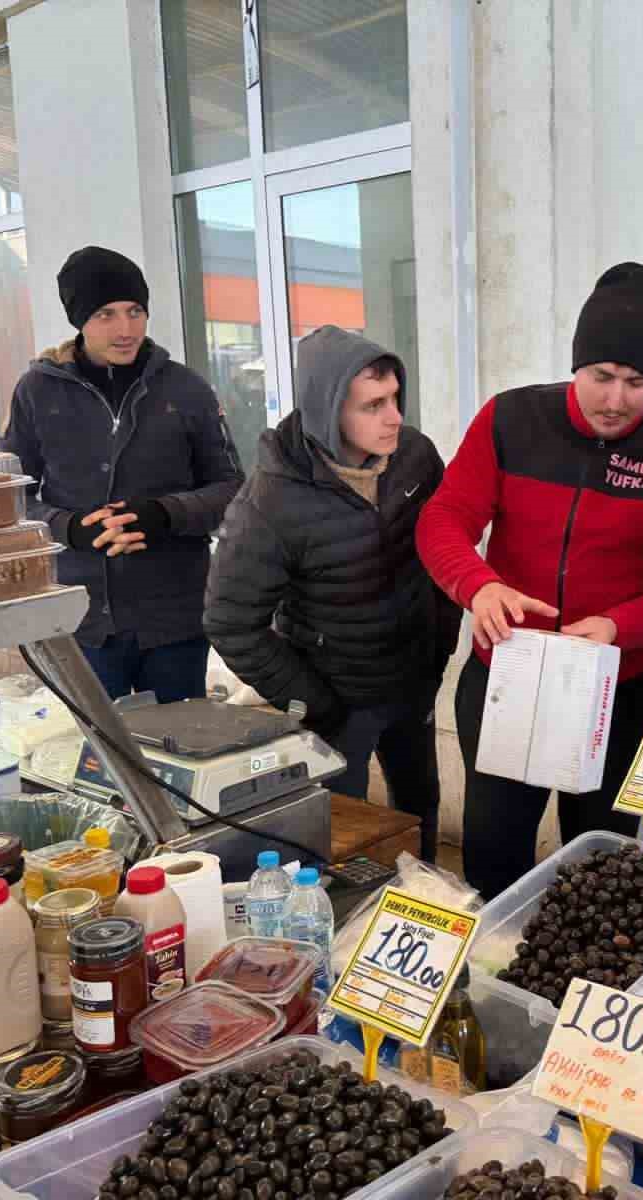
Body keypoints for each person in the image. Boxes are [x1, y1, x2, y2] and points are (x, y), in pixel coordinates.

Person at [417, 262, 643, 900]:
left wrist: (616, 627)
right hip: (507, 677)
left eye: (636, 382)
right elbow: (442, 519)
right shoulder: (510, 419)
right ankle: (497, 989)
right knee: (495, 858)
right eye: (602, 376)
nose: (615, 399)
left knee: (604, 872)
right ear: (575, 364)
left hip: (617, 688)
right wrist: (478, 585)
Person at [205, 327, 459, 863]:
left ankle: (432, 907)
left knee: (419, 810)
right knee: (346, 836)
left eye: (395, 399)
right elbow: (230, 622)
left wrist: (439, 649)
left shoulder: (414, 458)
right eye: (373, 405)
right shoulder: (269, 500)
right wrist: (312, 699)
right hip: (338, 699)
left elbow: (443, 554)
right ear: (328, 409)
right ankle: (350, 928)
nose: (394, 417)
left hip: (413, 679)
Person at [2, 246, 242, 702]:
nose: (125, 328)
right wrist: (69, 528)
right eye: (105, 314)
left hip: (174, 618)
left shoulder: (186, 389)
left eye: (135, 311)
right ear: (79, 320)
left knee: (178, 753)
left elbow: (233, 491)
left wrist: (163, 515)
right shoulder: (37, 392)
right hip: (82, 617)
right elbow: (11, 498)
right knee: (102, 759)